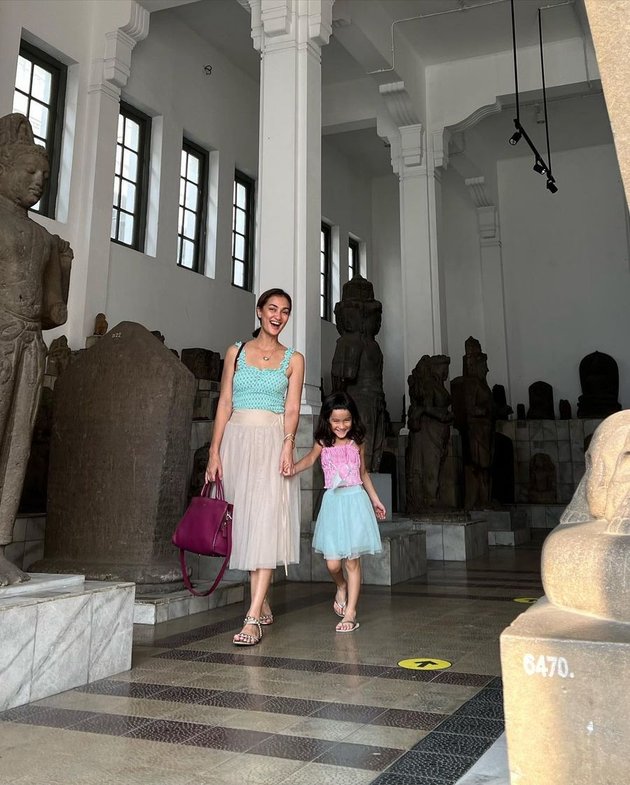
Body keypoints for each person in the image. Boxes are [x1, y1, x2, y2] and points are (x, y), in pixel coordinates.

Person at [205, 288, 304, 646]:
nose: (279, 316)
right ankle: (262, 601)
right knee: (245, 523)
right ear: (260, 311)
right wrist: (214, 451)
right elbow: (225, 402)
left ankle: (252, 616)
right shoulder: (237, 351)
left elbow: (291, 409)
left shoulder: (294, 359)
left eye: (286, 311)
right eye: (273, 309)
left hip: (271, 441)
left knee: (265, 523)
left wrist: (288, 445)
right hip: (237, 441)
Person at [290, 391, 386, 633]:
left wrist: (375, 500)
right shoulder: (323, 442)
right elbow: (310, 459)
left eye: (346, 420)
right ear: (327, 420)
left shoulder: (357, 442)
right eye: (336, 421)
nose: (341, 426)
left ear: (352, 419)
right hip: (333, 503)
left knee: (352, 561)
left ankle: (351, 613)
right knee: (333, 564)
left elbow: (363, 473)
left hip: (355, 501)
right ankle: (340, 586)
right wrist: (290, 469)